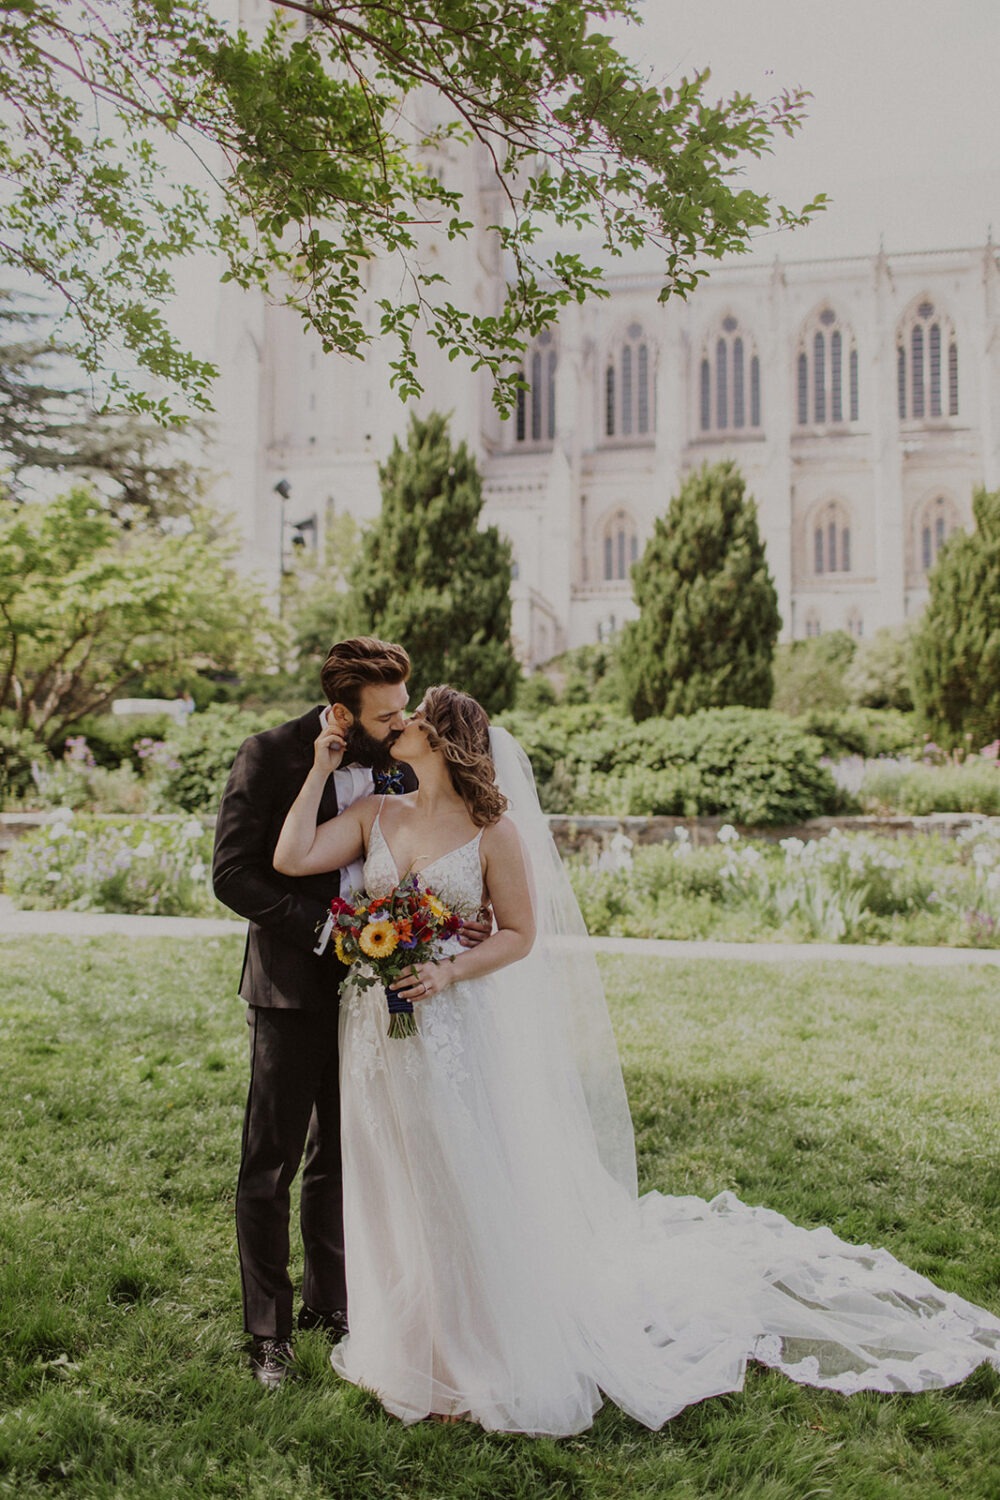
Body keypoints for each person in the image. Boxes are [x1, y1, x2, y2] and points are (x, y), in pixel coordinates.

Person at [274, 685, 1000, 1434]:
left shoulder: (493, 832)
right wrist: (323, 767)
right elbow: (292, 855)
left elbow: (521, 934)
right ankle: (405, 1340)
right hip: (373, 1035)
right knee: (391, 1177)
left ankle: (472, 1359)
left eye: (416, 721)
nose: (401, 727)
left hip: (456, 1030)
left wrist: (450, 970)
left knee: (460, 1180)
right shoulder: (377, 814)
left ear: (448, 743)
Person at [212, 638, 490, 1389]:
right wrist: (324, 932)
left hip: (379, 997)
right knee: (269, 1162)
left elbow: (435, 833)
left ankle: (332, 1305)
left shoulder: (395, 754)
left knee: (342, 1154)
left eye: (405, 709)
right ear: (342, 712)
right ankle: (267, 1335)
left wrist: (453, 919)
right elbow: (233, 874)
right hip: (293, 988)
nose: (402, 723)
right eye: (387, 713)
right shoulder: (267, 755)